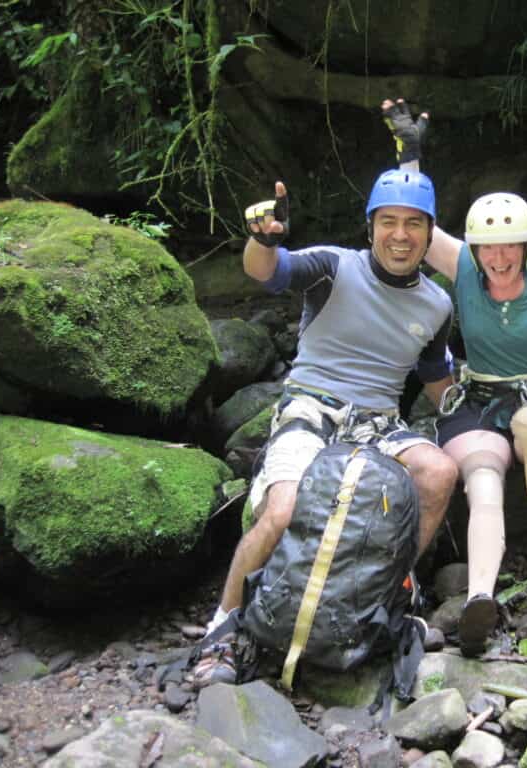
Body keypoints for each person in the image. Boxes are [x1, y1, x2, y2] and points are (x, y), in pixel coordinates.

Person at [193, 171, 461, 686]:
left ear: (429, 235)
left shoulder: (437, 303)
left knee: (439, 471)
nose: (399, 235)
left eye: (412, 224)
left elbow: (435, 380)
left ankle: (389, 596)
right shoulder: (333, 267)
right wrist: (262, 240)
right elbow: (266, 271)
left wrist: (481, 409)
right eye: (388, 222)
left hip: (379, 423)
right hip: (310, 409)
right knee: (285, 507)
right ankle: (223, 627)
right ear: (370, 228)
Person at [381, 80, 527, 656]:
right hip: (478, 405)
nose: (499, 259)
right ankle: (480, 597)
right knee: (482, 483)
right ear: (475, 249)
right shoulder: (461, 268)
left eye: (509, 248)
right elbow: (413, 223)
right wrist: (409, 156)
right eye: (488, 249)